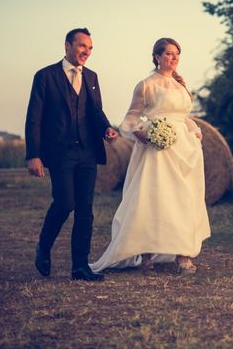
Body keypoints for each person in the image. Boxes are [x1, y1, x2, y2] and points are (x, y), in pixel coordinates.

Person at [90, 37, 210, 275]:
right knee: (153, 198)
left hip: (185, 148)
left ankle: (183, 254)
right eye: (168, 54)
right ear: (156, 56)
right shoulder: (146, 85)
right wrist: (144, 136)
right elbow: (131, 119)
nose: (173, 58)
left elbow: (183, 116)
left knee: (184, 198)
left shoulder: (181, 86)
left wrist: (195, 130)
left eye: (177, 54)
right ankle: (146, 255)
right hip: (156, 149)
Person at [25, 28, 119, 282]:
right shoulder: (45, 76)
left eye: (90, 48)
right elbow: (34, 118)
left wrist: (107, 128)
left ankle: (80, 267)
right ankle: (44, 247)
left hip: (88, 151)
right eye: (82, 46)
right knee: (65, 203)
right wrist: (33, 155)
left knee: (85, 210)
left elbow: (96, 112)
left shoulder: (92, 77)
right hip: (60, 153)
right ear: (68, 46)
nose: (86, 52)